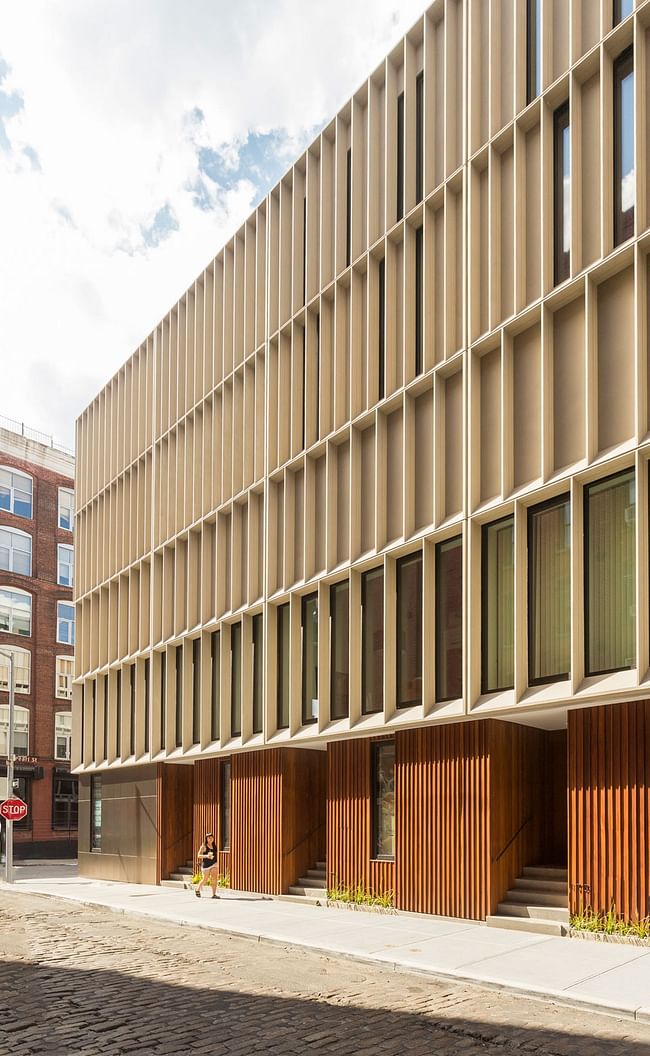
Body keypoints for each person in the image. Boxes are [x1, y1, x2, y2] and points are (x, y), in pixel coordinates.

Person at [195, 832, 219, 899]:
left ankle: (214, 894)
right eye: (209, 838)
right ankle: (197, 889)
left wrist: (216, 863)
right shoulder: (204, 846)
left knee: (214, 878)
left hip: (214, 864)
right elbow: (198, 855)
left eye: (211, 837)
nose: (210, 839)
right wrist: (206, 856)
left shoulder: (214, 846)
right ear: (206, 839)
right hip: (206, 865)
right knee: (205, 879)